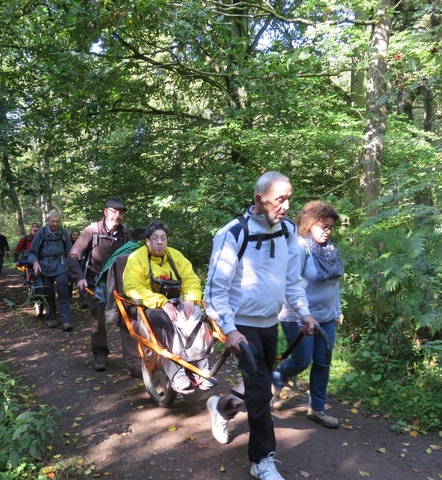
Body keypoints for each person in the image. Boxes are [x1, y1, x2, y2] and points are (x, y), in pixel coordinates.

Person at [204, 171, 317, 480]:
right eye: (280, 199)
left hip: (270, 324)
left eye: (289, 199)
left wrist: (303, 313)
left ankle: (221, 407)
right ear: (259, 199)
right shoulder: (233, 233)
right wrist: (228, 329)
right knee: (259, 391)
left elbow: (292, 281)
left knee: (261, 387)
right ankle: (261, 460)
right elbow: (214, 291)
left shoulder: (288, 231)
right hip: (242, 326)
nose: (286, 206)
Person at [272, 201, 343, 429]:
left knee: (323, 363)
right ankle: (275, 381)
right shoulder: (300, 248)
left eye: (330, 227)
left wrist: (337, 312)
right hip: (297, 316)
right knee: (302, 361)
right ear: (310, 224)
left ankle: (317, 409)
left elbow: (334, 285)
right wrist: (302, 314)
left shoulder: (330, 250)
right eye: (323, 226)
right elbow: (291, 285)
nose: (327, 231)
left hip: (325, 317)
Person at [122, 222, 209, 391]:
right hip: (149, 306)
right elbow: (132, 287)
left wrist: (190, 299)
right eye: (155, 238)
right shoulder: (136, 258)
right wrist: (161, 302)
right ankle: (176, 372)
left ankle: (200, 367)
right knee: (161, 320)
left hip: (177, 301)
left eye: (163, 238)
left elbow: (191, 279)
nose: (160, 242)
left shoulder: (176, 256)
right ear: (147, 241)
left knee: (197, 314)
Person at [68, 198, 131, 372]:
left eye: (120, 213)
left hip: (120, 281)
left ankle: (133, 357)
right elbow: (73, 256)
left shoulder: (125, 232)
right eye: (114, 211)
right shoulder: (92, 230)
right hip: (97, 282)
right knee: (98, 321)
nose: (117, 216)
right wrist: (80, 277)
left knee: (128, 318)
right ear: (105, 212)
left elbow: (133, 257)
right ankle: (100, 355)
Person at [26, 211, 73, 331]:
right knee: (48, 292)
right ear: (48, 221)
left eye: (57, 221)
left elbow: (70, 251)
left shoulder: (63, 233)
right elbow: (31, 253)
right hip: (45, 266)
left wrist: (72, 266)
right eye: (53, 221)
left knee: (63, 291)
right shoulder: (41, 234)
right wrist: (35, 262)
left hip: (61, 265)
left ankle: (65, 320)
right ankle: (52, 317)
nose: (55, 224)